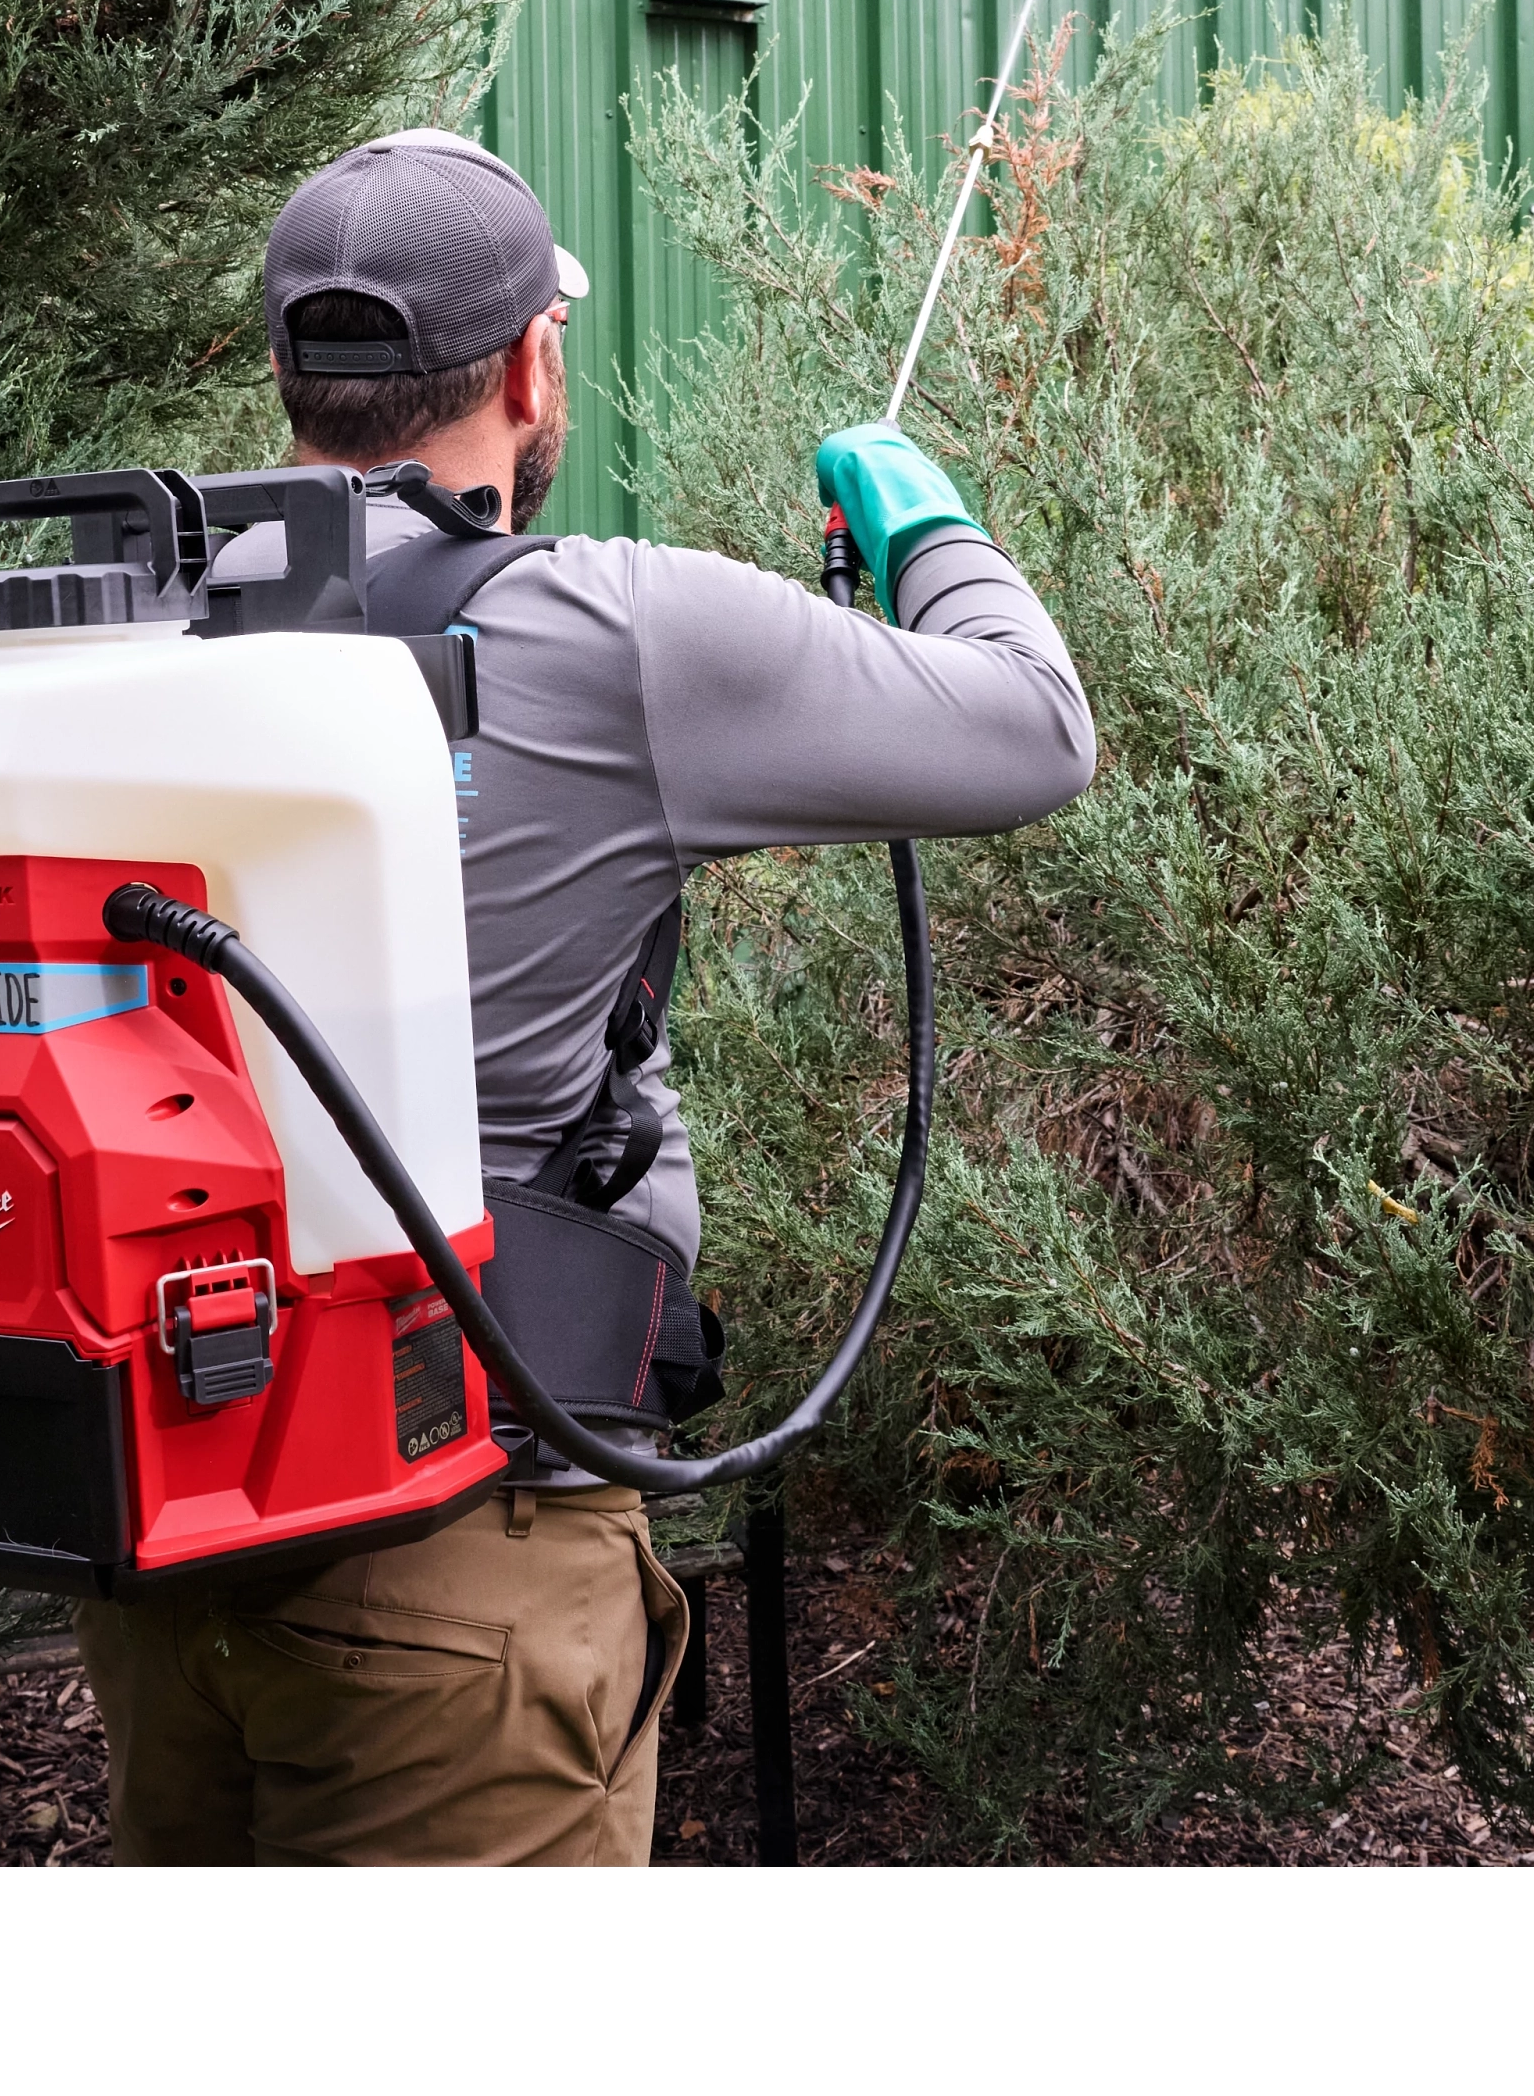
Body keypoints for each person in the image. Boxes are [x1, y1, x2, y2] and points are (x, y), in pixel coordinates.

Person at [70, 129, 1097, 1868]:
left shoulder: (132, 620)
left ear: (288, 377)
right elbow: (1034, 728)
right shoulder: (612, 635)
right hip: (464, 1550)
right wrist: (926, 522)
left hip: (171, 1540)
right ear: (539, 365)